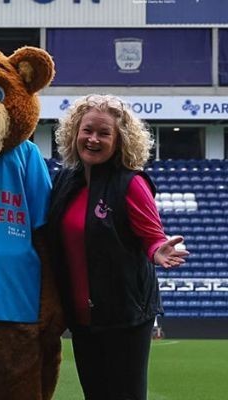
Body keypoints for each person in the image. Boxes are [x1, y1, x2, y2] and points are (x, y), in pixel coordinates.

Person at [48, 94, 188, 400]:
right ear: (74, 133)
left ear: (120, 139)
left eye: (104, 133)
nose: (93, 139)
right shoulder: (64, 182)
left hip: (124, 315)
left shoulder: (131, 183)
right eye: (87, 130)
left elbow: (153, 236)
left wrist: (157, 250)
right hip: (83, 319)